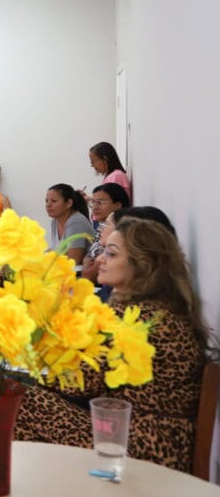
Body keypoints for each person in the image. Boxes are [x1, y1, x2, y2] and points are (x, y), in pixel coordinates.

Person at [15, 218, 216, 473]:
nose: (100, 260)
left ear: (142, 264)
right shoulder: (158, 307)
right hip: (153, 437)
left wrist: (22, 370)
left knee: (16, 396)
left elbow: (82, 381)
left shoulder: (139, 318)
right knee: (19, 393)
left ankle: (45, 491)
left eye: (111, 254)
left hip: (143, 446)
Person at [81, 183, 131, 283]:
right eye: (93, 202)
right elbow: (88, 256)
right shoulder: (102, 226)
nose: (94, 207)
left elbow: (89, 275)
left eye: (101, 202)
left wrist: (87, 263)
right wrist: (87, 261)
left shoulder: (117, 231)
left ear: (117, 205)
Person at [45, 183, 95, 264]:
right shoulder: (55, 220)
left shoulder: (76, 221)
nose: (48, 205)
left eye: (53, 201)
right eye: (46, 201)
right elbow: (55, 250)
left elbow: (73, 260)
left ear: (69, 203)